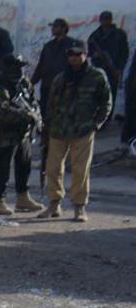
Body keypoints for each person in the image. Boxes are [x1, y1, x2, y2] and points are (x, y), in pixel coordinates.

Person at [40, 38, 112, 223]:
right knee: (53, 168)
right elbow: (51, 103)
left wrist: (97, 124)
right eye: (70, 55)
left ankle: (79, 207)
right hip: (59, 129)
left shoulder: (96, 76)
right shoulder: (61, 78)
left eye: (77, 54)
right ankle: (54, 204)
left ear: (85, 55)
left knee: (80, 169)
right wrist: (46, 126)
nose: (73, 58)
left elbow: (106, 102)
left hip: (83, 130)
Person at [0, 54, 44, 216]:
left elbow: (33, 102)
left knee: (24, 166)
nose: (18, 71)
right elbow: (1, 113)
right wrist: (25, 116)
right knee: (3, 169)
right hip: (6, 134)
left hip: (24, 133)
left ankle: (23, 197)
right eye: (14, 67)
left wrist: (35, 116)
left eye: (19, 67)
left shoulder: (23, 83)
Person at [31, 19, 74, 167]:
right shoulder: (49, 46)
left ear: (63, 28)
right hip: (47, 86)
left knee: (61, 115)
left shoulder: (72, 45)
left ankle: (62, 144)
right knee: (45, 115)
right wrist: (32, 82)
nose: (53, 29)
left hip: (64, 87)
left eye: (55, 26)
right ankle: (46, 143)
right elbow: (41, 65)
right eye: (53, 26)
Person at [87, 11, 129, 97]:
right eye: (103, 19)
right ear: (100, 20)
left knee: (111, 96)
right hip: (99, 69)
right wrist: (94, 54)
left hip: (114, 69)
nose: (105, 21)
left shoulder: (120, 34)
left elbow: (124, 53)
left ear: (111, 20)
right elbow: (89, 51)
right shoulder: (95, 35)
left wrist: (119, 68)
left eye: (107, 19)